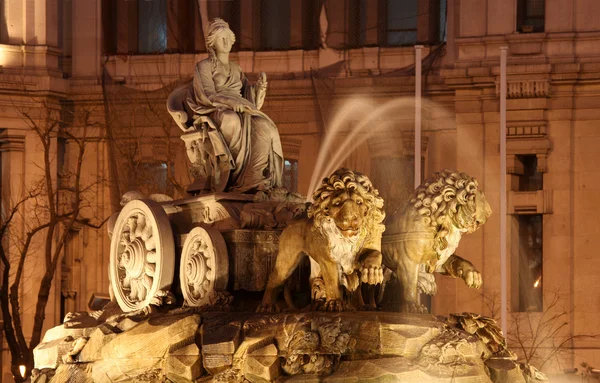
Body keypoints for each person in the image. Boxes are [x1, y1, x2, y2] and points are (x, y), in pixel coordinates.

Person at [186, 18, 284, 193]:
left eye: (227, 37)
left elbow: (249, 97)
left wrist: (259, 89)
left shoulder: (237, 69)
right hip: (215, 109)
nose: (225, 41)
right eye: (220, 38)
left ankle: (253, 178)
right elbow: (207, 94)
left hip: (241, 108)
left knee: (265, 127)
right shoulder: (204, 66)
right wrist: (230, 102)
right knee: (232, 121)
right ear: (212, 43)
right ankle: (233, 178)